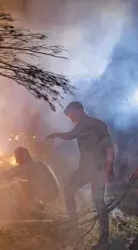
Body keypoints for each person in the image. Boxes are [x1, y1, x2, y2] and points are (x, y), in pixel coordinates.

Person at [46, 101, 115, 249]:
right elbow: (71, 135)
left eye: (71, 114)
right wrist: (56, 134)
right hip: (85, 169)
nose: (70, 118)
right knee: (69, 190)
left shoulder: (97, 124)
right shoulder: (80, 126)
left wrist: (109, 167)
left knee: (99, 202)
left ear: (79, 110)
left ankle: (104, 239)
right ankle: (74, 227)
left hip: (97, 169)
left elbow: (109, 146)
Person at [0, 147, 60, 215]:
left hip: (50, 193)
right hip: (50, 191)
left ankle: (29, 210)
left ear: (25, 155)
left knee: (18, 185)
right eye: (16, 157)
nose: (17, 159)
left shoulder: (31, 164)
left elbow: (13, 172)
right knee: (20, 183)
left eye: (18, 156)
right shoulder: (33, 163)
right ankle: (33, 207)